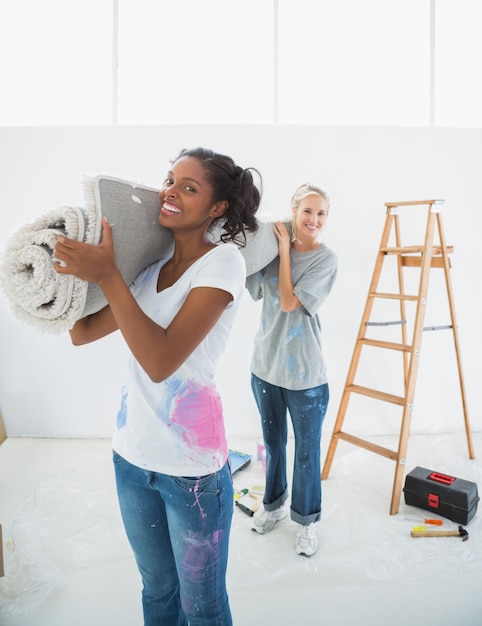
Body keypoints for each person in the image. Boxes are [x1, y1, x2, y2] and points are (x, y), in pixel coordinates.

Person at [54, 147, 261, 626]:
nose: (169, 192)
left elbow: (161, 361)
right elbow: (80, 333)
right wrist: (68, 270)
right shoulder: (148, 273)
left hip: (192, 474)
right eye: (170, 180)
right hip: (131, 458)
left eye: (189, 188)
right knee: (158, 593)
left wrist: (106, 273)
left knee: (202, 608)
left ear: (216, 209)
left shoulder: (223, 264)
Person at [247, 182, 337, 557]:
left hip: (305, 377)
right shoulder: (271, 247)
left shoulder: (325, 259)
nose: (313, 220)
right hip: (265, 367)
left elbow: (287, 302)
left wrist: (284, 251)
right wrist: (261, 241)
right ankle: (273, 507)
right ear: (294, 211)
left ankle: (306, 521)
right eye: (307, 211)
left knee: (306, 452)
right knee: (273, 446)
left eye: (321, 214)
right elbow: (249, 284)